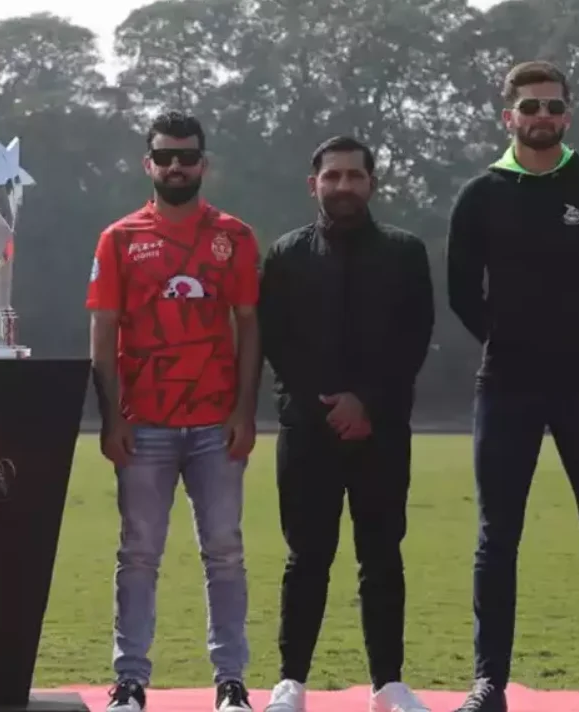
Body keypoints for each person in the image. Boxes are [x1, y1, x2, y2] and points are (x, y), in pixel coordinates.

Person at [446, 60, 579, 712]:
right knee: (495, 539)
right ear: (508, 116)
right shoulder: (480, 195)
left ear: (568, 116)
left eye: (553, 107)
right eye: (530, 107)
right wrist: (507, 340)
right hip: (505, 386)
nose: (542, 117)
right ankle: (489, 684)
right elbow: (460, 292)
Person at [87, 110, 260, 712]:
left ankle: (230, 681)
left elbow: (249, 327)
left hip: (216, 424)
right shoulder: (119, 238)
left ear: (203, 163)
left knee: (225, 551)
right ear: (149, 164)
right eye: (166, 156)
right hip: (146, 424)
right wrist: (111, 418)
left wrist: (245, 411)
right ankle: (131, 680)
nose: (177, 166)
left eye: (187, 156)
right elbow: (103, 335)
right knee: (137, 554)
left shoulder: (234, 237)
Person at [258, 136, 434, 712]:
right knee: (306, 557)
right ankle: (292, 682)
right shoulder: (286, 255)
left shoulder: (406, 253)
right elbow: (278, 343)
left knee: (382, 556)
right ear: (314, 185)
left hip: (382, 432)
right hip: (307, 431)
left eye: (354, 176)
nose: (343, 186)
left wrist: (368, 404)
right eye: (332, 177)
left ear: (372, 184)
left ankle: (388, 684)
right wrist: (330, 406)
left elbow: (413, 340)